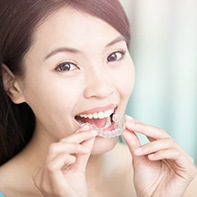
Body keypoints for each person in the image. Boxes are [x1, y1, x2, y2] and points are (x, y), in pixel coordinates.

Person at [0, 0, 196, 196]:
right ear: (13, 85)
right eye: (66, 66)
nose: (102, 89)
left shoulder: (177, 182)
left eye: (114, 56)